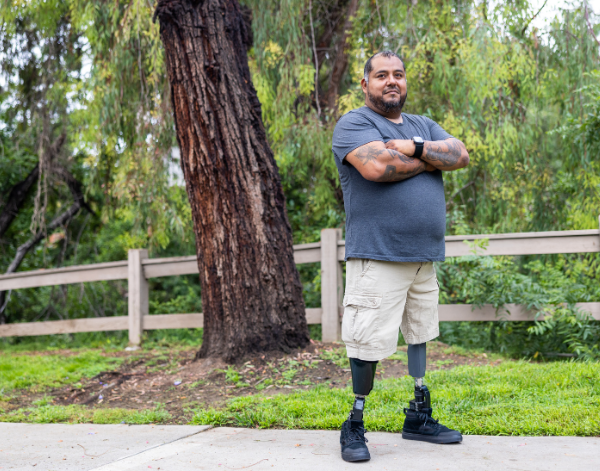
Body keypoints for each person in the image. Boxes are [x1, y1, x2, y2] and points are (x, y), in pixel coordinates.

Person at [331, 50, 470, 463]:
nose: (391, 81)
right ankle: (354, 423)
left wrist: (416, 146)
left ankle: (418, 417)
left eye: (399, 74)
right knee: (367, 341)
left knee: (420, 333)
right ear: (366, 84)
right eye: (382, 75)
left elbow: (459, 154)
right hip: (378, 255)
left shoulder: (421, 125)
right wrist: (430, 160)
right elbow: (377, 168)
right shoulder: (354, 123)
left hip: (423, 258)